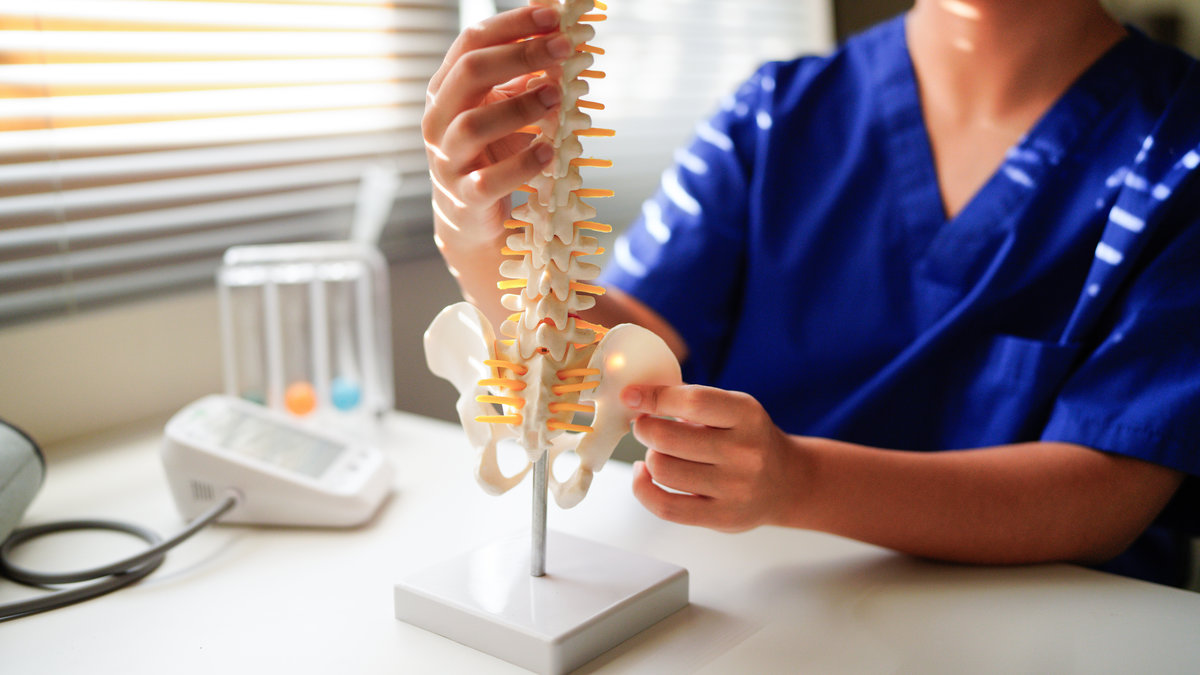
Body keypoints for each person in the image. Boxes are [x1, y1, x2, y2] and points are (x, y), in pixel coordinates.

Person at [422, 0, 1200, 586]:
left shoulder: (1180, 153)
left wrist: (799, 482)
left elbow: (1108, 491)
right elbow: (607, 362)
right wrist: (479, 235)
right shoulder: (772, 117)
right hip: (769, 610)